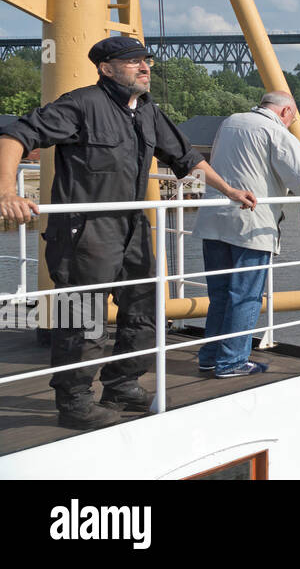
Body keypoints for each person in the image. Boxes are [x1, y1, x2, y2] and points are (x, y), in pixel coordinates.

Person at [0, 37, 255, 429]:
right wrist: (6, 191)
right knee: (82, 318)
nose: (145, 67)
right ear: (106, 68)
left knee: (144, 311)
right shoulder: (81, 104)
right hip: (84, 231)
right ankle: (75, 402)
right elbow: (14, 136)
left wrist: (230, 190)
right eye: (133, 61)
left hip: (133, 228)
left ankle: (122, 385)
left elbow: (187, 158)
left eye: (146, 60)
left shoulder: (148, 111)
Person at [193, 91, 300, 378]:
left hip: (213, 220)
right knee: (245, 296)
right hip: (251, 225)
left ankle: (209, 356)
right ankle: (231, 362)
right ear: (285, 112)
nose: (289, 123)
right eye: (291, 119)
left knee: (219, 295)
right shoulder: (275, 132)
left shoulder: (231, 122)